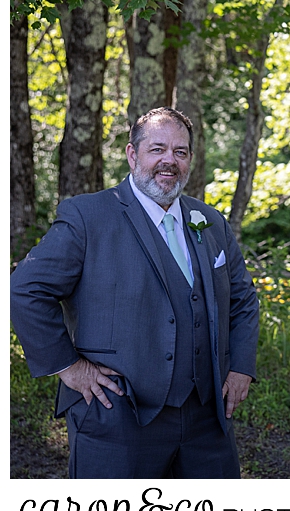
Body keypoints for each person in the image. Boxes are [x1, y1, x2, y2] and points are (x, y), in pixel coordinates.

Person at [11, 107, 259, 479]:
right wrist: (69, 368)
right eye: (157, 149)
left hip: (208, 419)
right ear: (132, 154)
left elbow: (242, 302)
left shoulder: (210, 223)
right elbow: (26, 289)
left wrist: (240, 367)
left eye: (180, 151)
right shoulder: (87, 216)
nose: (169, 161)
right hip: (116, 417)